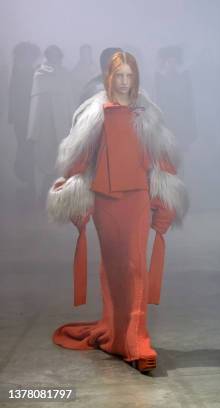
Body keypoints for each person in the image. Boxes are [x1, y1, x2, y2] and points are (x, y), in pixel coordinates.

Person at [47, 51, 188, 373]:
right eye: (119, 76)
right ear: (109, 78)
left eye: (129, 76)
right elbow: (80, 157)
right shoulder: (95, 113)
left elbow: (162, 158)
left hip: (137, 196)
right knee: (113, 268)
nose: (124, 82)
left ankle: (137, 338)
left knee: (136, 265)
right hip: (104, 199)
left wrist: (165, 198)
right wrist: (70, 192)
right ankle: (117, 332)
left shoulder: (148, 114)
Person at [27, 45, 75, 204]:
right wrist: (33, 129)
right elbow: (36, 103)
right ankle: (42, 195)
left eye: (57, 55)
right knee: (43, 160)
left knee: (61, 159)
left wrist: (72, 122)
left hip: (62, 122)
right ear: (47, 56)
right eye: (51, 55)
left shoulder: (65, 75)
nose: (54, 58)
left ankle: (59, 195)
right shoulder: (39, 74)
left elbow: (69, 100)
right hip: (44, 123)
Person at [8, 42, 40, 207]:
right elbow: (12, 93)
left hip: (29, 116)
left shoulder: (34, 71)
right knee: (24, 147)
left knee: (28, 148)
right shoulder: (19, 70)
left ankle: (30, 181)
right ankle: (28, 180)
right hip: (22, 117)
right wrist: (12, 115)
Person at [154, 46, 197, 151]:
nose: (171, 65)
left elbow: (189, 103)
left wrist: (190, 126)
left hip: (181, 121)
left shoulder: (184, 79)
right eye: (169, 62)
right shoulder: (159, 80)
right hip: (165, 121)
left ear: (177, 63)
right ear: (165, 63)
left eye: (173, 62)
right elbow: (155, 102)